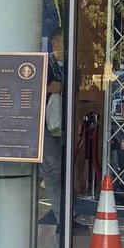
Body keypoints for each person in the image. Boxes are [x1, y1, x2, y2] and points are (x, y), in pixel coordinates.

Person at [39, 28, 88, 235]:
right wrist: (49, 88)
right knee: (53, 171)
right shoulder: (42, 65)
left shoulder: (72, 68)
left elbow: (74, 98)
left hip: (64, 124)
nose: (67, 49)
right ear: (53, 44)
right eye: (63, 43)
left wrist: (76, 122)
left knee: (64, 169)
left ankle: (67, 214)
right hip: (46, 126)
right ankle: (63, 219)